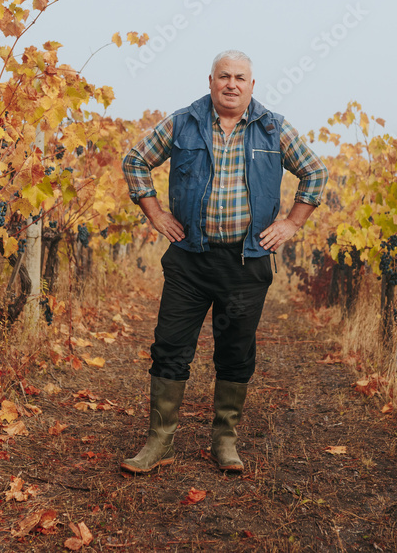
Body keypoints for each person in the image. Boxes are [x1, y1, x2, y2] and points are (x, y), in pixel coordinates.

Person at [120, 50, 328, 473]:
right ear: (211, 81)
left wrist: (292, 223)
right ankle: (159, 442)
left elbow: (315, 173)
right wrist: (155, 214)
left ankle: (224, 441)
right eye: (224, 76)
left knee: (235, 351)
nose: (231, 84)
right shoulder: (183, 122)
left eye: (239, 77)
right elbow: (135, 160)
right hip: (189, 261)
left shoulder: (273, 127)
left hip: (246, 263)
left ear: (252, 85)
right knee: (170, 346)